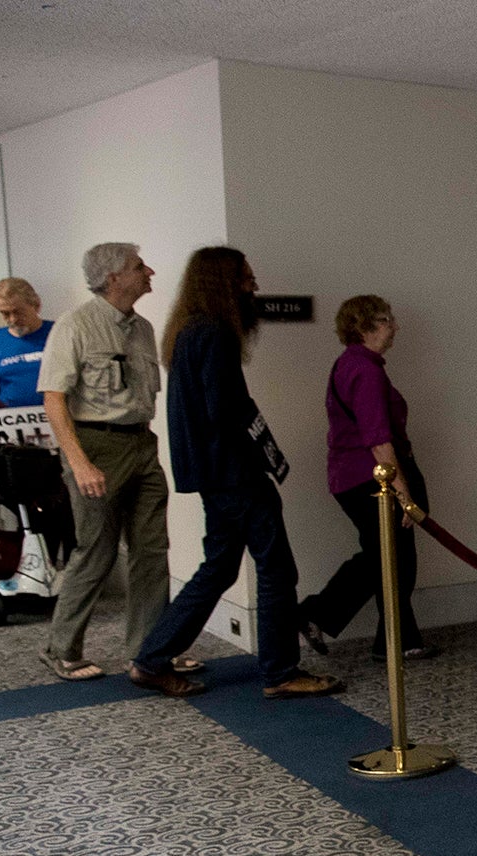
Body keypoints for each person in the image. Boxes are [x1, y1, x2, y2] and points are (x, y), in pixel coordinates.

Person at [129, 247, 340, 699]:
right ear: (224, 283)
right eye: (246, 279)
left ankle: (151, 659)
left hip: (214, 474)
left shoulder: (189, 332)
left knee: (219, 567)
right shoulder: (213, 334)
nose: (254, 286)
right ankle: (281, 672)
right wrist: (257, 464)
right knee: (276, 569)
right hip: (234, 474)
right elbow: (223, 410)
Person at [34, 243, 177, 683]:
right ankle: (61, 647)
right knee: (95, 552)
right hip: (94, 445)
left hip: (142, 445)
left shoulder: (144, 328)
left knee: (151, 552)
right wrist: (79, 463)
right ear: (113, 277)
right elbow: (53, 400)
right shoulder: (76, 326)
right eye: (139, 266)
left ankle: (149, 653)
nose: (149, 271)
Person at [297, 295, 435, 661]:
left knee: (387, 557)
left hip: (353, 477)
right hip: (369, 478)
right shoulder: (366, 371)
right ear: (363, 326)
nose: (394, 326)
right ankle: (320, 614)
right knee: (390, 559)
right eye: (386, 319)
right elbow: (378, 439)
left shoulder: (352, 364)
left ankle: (394, 639)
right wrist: (403, 494)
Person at [0, 278, 53, 408]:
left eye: (18, 312)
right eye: (5, 313)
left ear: (36, 305)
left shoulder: (58, 333)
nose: (13, 319)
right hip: (13, 420)